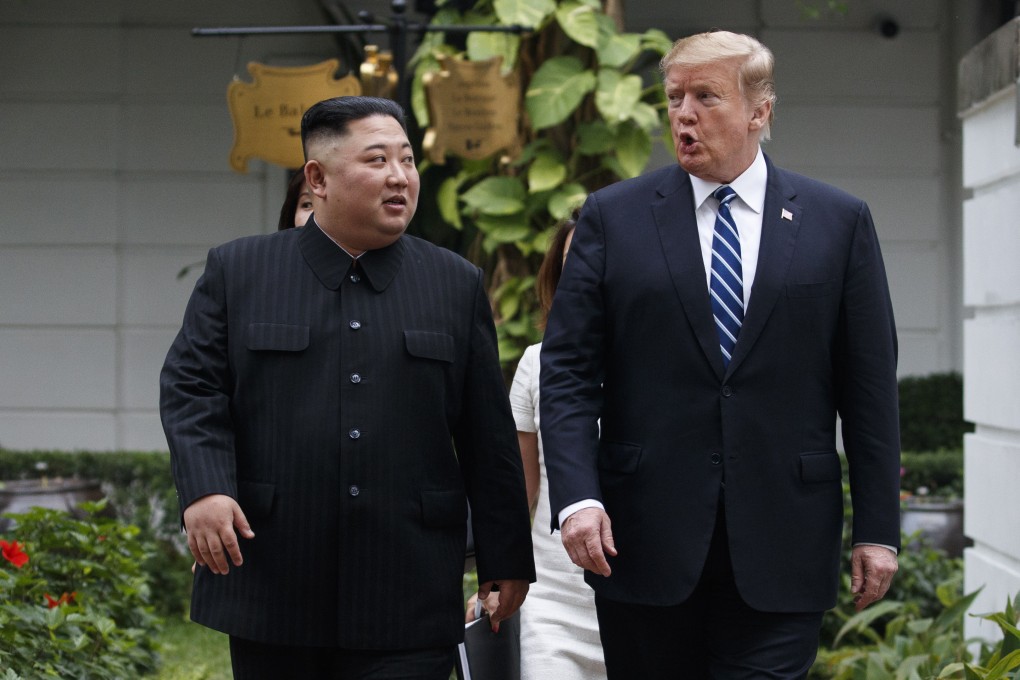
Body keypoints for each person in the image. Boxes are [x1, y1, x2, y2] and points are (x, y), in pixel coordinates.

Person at [539, 30, 901, 678]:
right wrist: (576, 498)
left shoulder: (837, 222)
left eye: (705, 96)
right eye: (674, 97)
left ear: (760, 111)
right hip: (643, 545)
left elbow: (868, 388)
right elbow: (566, 372)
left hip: (784, 544)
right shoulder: (611, 218)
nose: (683, 114)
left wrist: (878, 528)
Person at [160, 95, 535, 680]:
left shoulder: (453, 284)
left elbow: (487, 433)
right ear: (318, 177)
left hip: (408, 583)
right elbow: (192, 389)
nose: (399, 177)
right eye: (377, 160)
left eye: (407, 161)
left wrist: (505, 556)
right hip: (275, 579)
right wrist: (205, 490)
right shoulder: (242, 271)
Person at [470, 217, 606, 680]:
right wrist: (495, 575)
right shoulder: (535, 361)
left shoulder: (667, 365)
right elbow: (519, 489)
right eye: (574, 264)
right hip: (552, 601)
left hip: (647, 602)